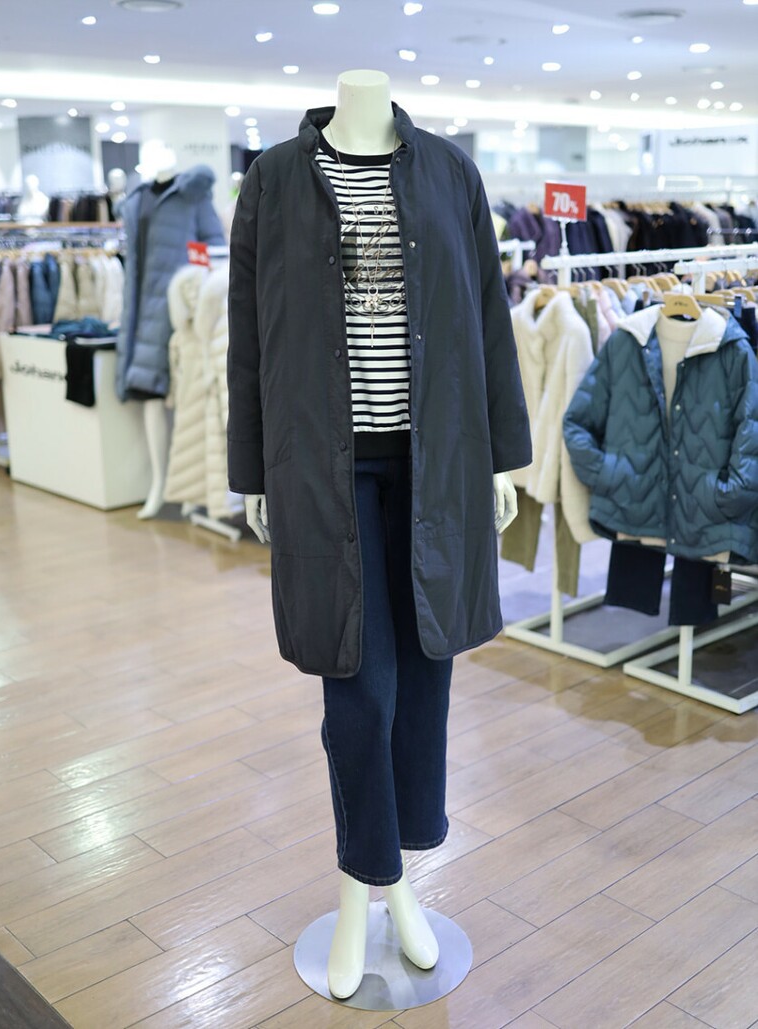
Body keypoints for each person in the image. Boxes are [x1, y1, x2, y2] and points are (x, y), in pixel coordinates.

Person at [227, 69, 531, 999]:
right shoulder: (275, 178)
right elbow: (248, 333)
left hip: (437, 459)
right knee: (357, 682)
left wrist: (503, 458)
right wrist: (253, 471)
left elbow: (487, 315)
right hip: (325, 466)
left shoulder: (449, 171)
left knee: (427, 672)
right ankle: (372, 888)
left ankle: (393, 881)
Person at [115, 146, 226, 519]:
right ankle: (159, 485)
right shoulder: (138, 199)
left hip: (182, 311)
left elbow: (217, 251)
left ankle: (188, 488)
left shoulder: (193, 196)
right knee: (150, 395)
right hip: (140, 307)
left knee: (186, 394)